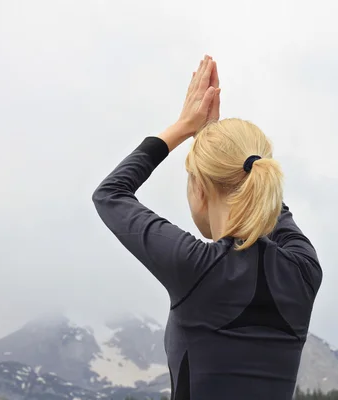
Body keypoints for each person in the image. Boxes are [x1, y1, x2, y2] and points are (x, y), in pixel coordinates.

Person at [91, 55, 322, 400]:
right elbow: (268, 201)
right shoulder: (303, 269)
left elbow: (110, 194)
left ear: (200, 188)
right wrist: (215, 146)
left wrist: (185, 127)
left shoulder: (197, 267)